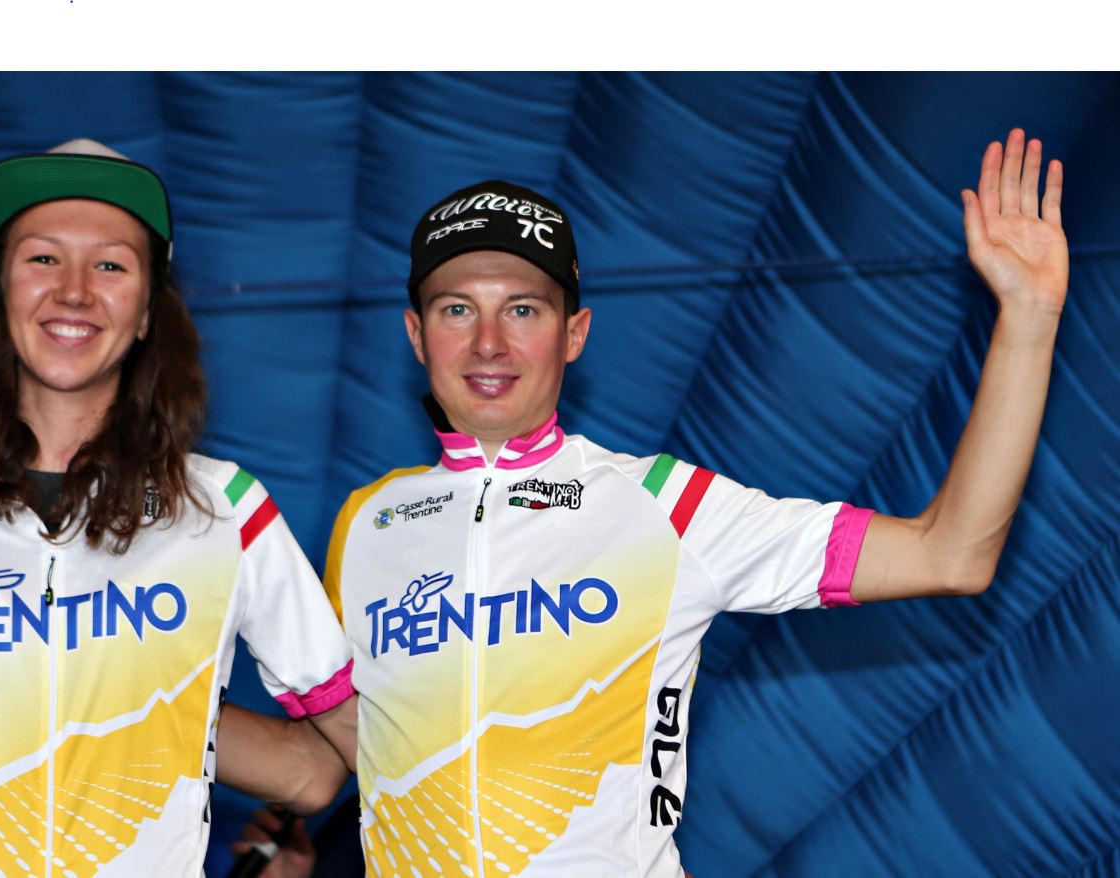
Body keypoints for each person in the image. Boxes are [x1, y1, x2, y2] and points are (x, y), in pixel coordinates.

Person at [288, 128, 1067, 877]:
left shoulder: (663, 503)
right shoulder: (367, 523)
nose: (488, 342)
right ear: (416, 335)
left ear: (575, 333)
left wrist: (1029, 318)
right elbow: (374, 755)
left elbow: (950, 553)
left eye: (523, 309)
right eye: (457, 309)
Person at [0, 139, 356, 878]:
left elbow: (340, 754)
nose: (75, 291)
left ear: (147, 313)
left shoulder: (225, 507)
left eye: (112, 265)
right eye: (43, 258)